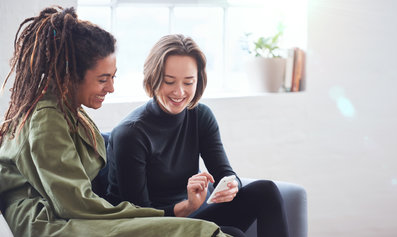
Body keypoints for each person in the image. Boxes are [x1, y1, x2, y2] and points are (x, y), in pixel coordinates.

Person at [0, 7, 228, 237]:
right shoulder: (46, 118)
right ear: (70, 74)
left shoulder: (67, 110)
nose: (111, 88)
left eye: (113, 77)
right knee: (198, 231)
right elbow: (74, 204)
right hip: (49, 220)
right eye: (103, 79)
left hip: (73, 211)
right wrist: (158, 216)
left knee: (207, 225)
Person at [106, 34, 289, 237]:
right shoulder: (130, 134)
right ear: (153, 78)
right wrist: (187, 206)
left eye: (188, 82)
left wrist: (231, 186)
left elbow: (225, 173)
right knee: (231, 234)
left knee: (266, 192)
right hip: (151, 227)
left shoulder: (200, 116)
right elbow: (142, 219)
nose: (179, 92)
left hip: (192, 216)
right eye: (169, 81)